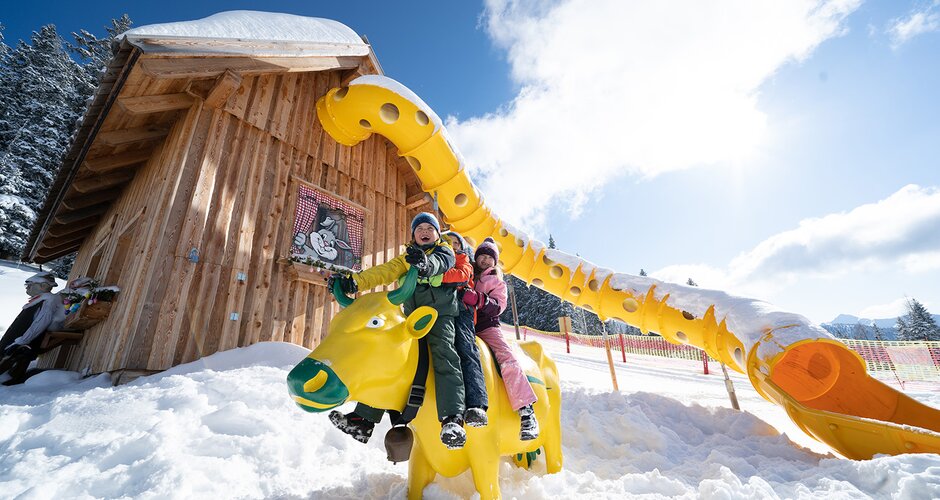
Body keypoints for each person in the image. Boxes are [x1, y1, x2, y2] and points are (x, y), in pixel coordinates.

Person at [327, 212, 468, 449]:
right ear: (413, 235)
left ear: (436, 234)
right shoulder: (405, 258)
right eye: (419, 228)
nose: (424, 231)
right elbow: (384, 272)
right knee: (388, 355)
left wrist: (425, 265)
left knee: (444, 353)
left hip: (439, 316)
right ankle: (364, 419)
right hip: (410, 317)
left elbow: (442, 264)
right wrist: (354, 282)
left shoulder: (444, 251)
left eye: (429, 228)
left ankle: (452, 418)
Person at [460, 238, 540, 440]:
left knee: (505, 357)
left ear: (494, 262)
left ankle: (526, 411)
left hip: (487, 326)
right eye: (482, 256)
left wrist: (479, 299)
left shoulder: (496, 280)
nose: (485, 260)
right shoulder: (468, 271)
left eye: (490, 258)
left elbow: (498, 306)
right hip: (466, 324)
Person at [442, 231, 488, 427]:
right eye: (448, 243)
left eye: (455, 243)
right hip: (442, 308)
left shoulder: (464, 260)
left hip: (462, 310)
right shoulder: (440, 259)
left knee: (466, 348)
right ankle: (451, 407)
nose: (452, 246)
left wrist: (431, 274)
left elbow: (461, 276)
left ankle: (477, 403)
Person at [0, 271, 65, 385]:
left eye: (30, 285)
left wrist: (21, 341)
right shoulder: (39, 300)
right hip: (13, 342)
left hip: (20, 344)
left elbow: (40, 323)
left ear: (43, 286)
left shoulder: (48, 301)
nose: (27, 288)